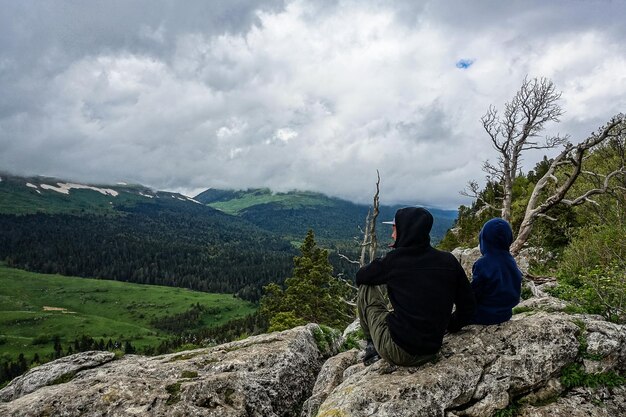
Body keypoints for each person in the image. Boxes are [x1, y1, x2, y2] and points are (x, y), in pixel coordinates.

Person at [356, 207, 476, 366]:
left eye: (395, 229)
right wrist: (449, 325)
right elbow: (469, 306)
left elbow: (361, 276)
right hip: (432, 348)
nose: (392, 235)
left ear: (405, 230)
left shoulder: (394, 261)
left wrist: (385, 261)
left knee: (366, 287)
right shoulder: (448, 261)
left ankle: (371, 345)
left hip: (398, 351)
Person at [471, 218, 522, 325]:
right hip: (506, 314)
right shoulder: (511, 261)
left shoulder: (482, 264)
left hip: (483, 315)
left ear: (484, 240)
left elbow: (475, 293)